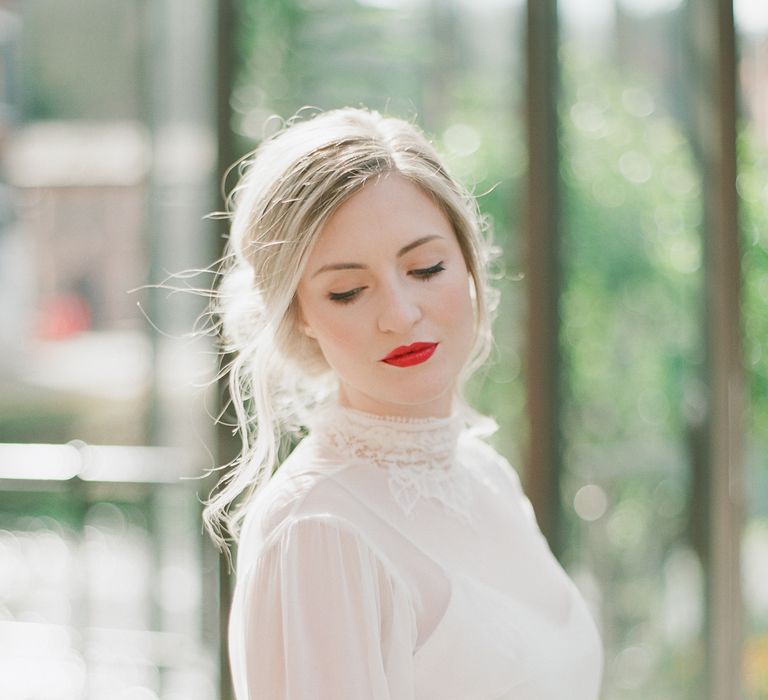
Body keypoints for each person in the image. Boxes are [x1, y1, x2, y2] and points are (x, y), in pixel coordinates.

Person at [205, 107, 603, 699]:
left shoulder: (486, 475)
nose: (400, 314)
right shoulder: (319, 531)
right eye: (348, 291)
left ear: (469, 263)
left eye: (425, 267)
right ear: (301, 315)